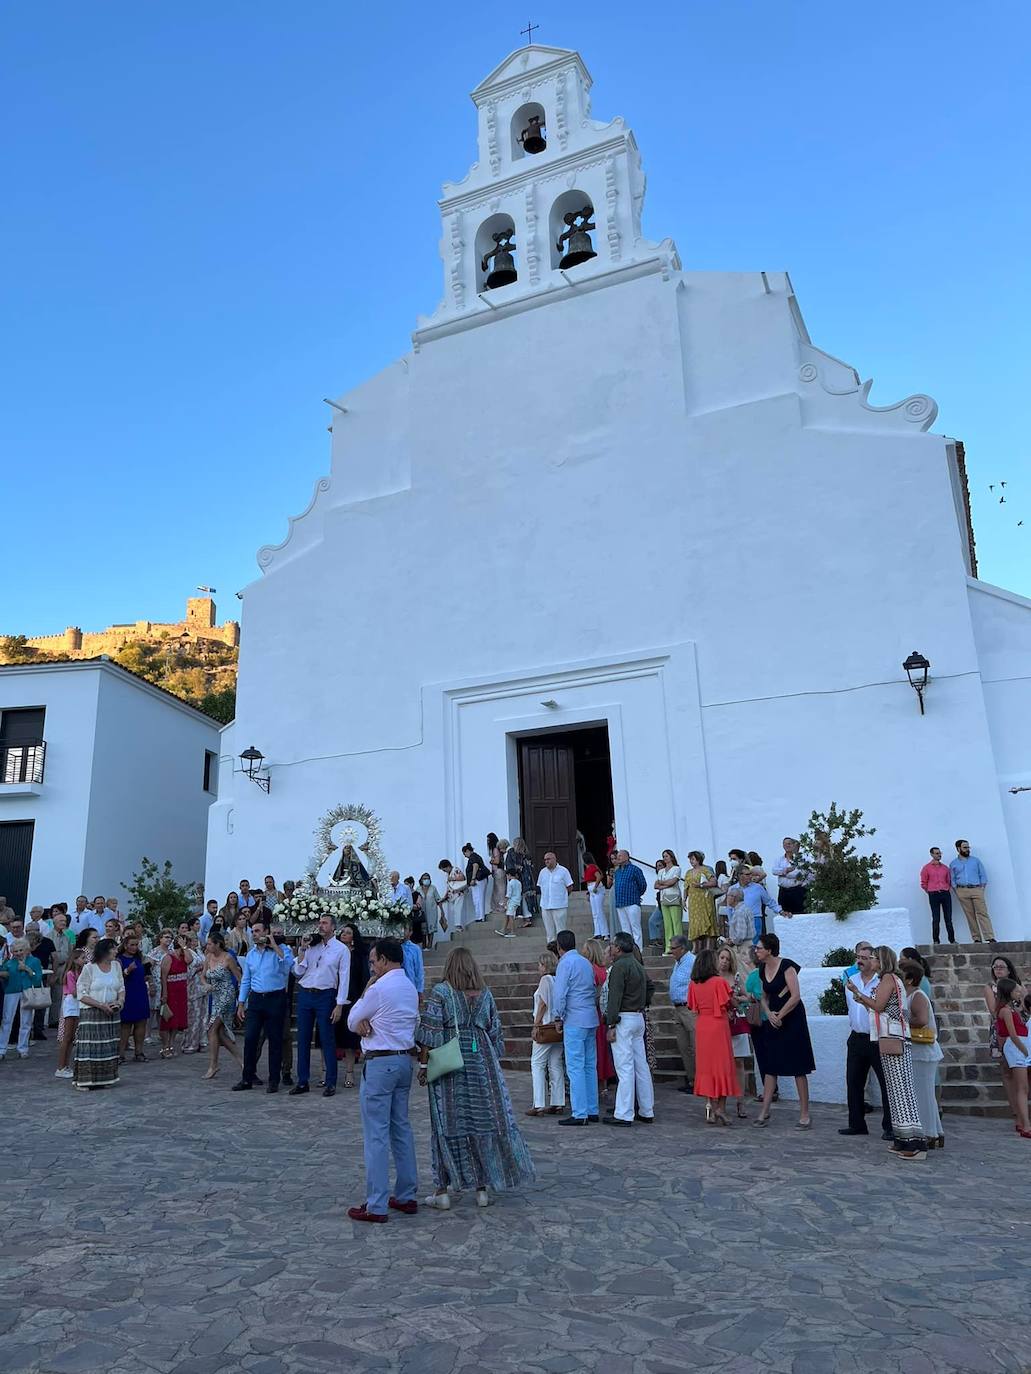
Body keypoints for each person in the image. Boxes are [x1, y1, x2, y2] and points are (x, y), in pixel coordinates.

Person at [416, 946, 535, 1209]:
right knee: (480, 1121)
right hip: (481, 1061)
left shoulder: (441, 993)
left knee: (447, 1122)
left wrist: (423, 1066)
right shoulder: (485, 994)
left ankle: (442, 1190)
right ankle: (481, 1188)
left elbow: (430, 1033)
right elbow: (495, 1032)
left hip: (450, 1062)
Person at [345, 937, 422, 1223]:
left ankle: (376, 1203)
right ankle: (406, 1194)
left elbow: (353, 1018)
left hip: (380, 1061)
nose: (372, 966)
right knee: (401, 1128)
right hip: (403, 1059)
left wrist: (364, 1012)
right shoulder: (409, 987)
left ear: (385, 960)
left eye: (374, 960)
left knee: (376, 1134)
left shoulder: (380, 987)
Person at [846, 946, 927, 1160]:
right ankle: (902, 1139)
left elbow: (879, 1006)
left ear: (880, 961)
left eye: (872, 958)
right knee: (895, 1090)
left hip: (893, 1039)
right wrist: (861, 998)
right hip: (890, 1037)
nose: (869, 961)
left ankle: (915, 1142)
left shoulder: (888, 979)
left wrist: (858, 994)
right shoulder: (891, 979)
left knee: (901, 1091)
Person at [753, 932, 815, 1128]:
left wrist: (780, 1015)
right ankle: (765, 1111)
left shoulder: (787, 965)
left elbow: (795, 995)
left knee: (798, 1066)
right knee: (771, 1065)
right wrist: (769, 1013)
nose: (756, 951)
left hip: (793, 1019)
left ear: (769, 950)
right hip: (774, 1018)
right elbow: (763, 996)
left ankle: (804, 1113)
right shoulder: (763, 968)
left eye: (759, 948)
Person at [837, 941, 893, 1140]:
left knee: (886, 1083)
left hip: (877, 1037)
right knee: (853, 1082)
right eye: (858, 957)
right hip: (857, 1037)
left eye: (864, 958)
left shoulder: (882, 981)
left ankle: (890, 1126)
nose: (859, 961)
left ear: (873, 960)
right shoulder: (851, 980)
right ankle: (856, 1124)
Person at [292, 914, 351, 1097]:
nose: (321, 926)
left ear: (333, 927)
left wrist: (339, 1004)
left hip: (326, 995)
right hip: (306, 993)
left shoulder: (341, 950)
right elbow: (298, 971)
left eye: (325, 923)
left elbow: (344, 978)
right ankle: (303, 1080)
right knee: (303, 1039)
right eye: (319, 923)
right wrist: (302, 949)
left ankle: (331, 1081)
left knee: (327, 1038)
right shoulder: (312, 946)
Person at [233, 921, 293, 1093]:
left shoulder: (281, 950)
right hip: (257, 998)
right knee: (250, 1039)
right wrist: (241, 1003)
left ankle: (274, 1080)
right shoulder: (251, 954)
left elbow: (288, 965)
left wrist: (273, 944)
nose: (255, 934)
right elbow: (246, 979)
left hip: (275, 998)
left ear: (267, 932)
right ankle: (247, 1078)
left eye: (258, 930)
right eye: (252, 931)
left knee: (275, 1040)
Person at [603, 931, 655, 1126]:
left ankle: (624, 1113)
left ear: (618, 947)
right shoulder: (637, 965)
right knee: (641, 1065)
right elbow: (651, 987)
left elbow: (614, 996)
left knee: (624, 1067)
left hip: (623, 1017)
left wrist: (611, 1022)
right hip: (638, 1016)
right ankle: (646, 1108)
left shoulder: (620, 966)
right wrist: (643, 1001)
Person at [551, 929, 600, 1125]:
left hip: (574, 1018)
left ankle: (580, 1113)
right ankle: (592, 1108)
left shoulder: (565, 964)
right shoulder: (585, 962)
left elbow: (560, 993)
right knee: (590, 1065)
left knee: (575, 1066)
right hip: (590, 1017)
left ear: (558, 946)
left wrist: (557, 1016)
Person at [688, 948, 741, 1126]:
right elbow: (728, 1002)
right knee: (722, 1066)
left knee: (707, 1067)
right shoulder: (719, 982)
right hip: (718, 1026)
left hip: (702, 1026)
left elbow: (692, 1006)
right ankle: (721, 1108)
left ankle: (709, 1106)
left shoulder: (693, 984)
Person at [899, 957, 944, 1149]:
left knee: (923, 1094)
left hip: (922, 1050)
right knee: (924, 1093)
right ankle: (936, 1132)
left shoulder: (917, 996)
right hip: (916, 1051)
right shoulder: (909, 995)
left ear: (909, 979)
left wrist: (900, 1017)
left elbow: (921, 1019)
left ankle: (929, 1133)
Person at [72, 938, 124, 1089]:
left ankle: (106, 1078)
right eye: (113, 949)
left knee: (108, 1046)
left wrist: (120, 1002)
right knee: (90, 1046)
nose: (116, 951)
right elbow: (81, 993)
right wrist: (101, 1005)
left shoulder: (116, 966)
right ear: (104, 951)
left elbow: (121, 987)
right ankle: (85, 1080)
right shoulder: (89, 968)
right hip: (92, 1013)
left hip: (111, 1013)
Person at [985, 956, 1026, 1126]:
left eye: (1002, 967)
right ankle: (1016, 1114)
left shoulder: (1019, 987)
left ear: (1009, 969)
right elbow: (994, 1011)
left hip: (1020, 1030)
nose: (998, 970)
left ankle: (1024, 1113)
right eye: (995, 967)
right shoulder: (990, 988)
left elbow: (1026, 1007)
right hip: (1001, 1031)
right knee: (1007, 1072)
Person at [200, 933, 244, 1081]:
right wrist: (205, 984)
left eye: (210, 944)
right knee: (219, 1033)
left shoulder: (228, 958)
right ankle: (241, 1060)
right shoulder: (208, 957)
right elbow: (203, 975)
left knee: (212, 1028)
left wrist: (241, 999)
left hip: (226, 995)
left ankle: (213, 1065)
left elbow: (239, 977)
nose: (208, 946)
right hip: (215, 995)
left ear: (218, 944)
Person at [527, 950, 565, 1116]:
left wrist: (536, 1024)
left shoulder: (545, 980)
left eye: (540, 964)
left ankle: (539, 1103)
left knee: (537, 1063)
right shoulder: (558, 979)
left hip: (544, 1026)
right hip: (556, 1027)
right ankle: (558, 1101)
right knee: (555, 1064)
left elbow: (542, 1003)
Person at [993, 977, 1031, 1137]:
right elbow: (1012, 1034)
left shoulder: (1010, 1008)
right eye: (1016, 990)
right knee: (1022, 1088)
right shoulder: (1006, 1011)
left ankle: (1022, 1122)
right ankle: (1026, 1125)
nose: (1019, 992)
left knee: (1022, 1087)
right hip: (1017, 1048)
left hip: (1019, 1047)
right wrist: (1025, 1051)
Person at [716, 945, 751, 1118]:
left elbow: (748, 996)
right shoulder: (713, 978)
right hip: (720, 1023)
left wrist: (737, 998)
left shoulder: (736, 978)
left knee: (739, 1063)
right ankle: (717, 1103)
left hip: (737, 1022)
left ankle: (740, 1101)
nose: (724, 962)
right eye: (722, 958)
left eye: (727, 959)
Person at [335, 921, 370, 1089]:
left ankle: (349, 1072)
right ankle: (326, 1072)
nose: (343, 934)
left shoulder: (358, 955)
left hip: (353, 997)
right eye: (342, 932)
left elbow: (363, 977)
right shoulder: (334, 952)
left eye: (347, 932)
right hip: (334, 997)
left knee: (349, 1038)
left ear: (353, 937)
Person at [582, 938, 615, 1104]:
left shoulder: (591, 970)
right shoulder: (603, 970)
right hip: (602, 1014)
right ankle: (604, 1085)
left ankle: (596, 1085)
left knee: (595, 1050)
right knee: (602, 1049)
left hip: (594, 1012)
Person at [0, 937, 45, 1058]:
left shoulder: (34, 961)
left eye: (21, 950)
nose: (18, 953)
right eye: (15, 951)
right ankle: (1, 1049)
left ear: (26, 950)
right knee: (7, 1020)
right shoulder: (9, 962)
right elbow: (4, 977)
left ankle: (23, 1048)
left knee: (26, 1020)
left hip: (27, 991)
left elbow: (38, 978)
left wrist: (27, 969)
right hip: (11, 992)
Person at [949, 840, 994, 942]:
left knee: (982, 913)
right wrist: (957, 891)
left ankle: (990, 937)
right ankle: (976, 938)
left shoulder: (976, 861)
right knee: (970, 915)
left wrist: (981, 888)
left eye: (968, 847)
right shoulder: (953, 864)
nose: (967, 849)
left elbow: (982, 874)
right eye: (965, 847)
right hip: (962, 891)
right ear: (958, 849)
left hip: (976, 889)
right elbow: (952, 879)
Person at [668, 934, 696, 1094]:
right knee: (684, 1046)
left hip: (689, 1009)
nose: (671, 951)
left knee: (695, 1045)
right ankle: (692, 1079)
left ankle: (700, 1080)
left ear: (683, 948)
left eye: (673, 948)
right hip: (678, 1009)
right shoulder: (677, 963)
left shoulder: (692, 961)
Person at [117, 932, 150, 1063]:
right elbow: (117, 978)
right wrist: (127, 971)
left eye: (136, 945)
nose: (134, 947)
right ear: (125, 945)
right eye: (132, 945)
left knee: (141, 1022)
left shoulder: (139, 958)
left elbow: (145, 973)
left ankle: (139, 1052)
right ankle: (120, 1054)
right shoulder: (119, 959)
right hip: (127, 993)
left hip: (140, 991)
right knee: (125, 1025)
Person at [55, 948, 86, 1079]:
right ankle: (61, 1066)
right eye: (82, 958)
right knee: (67, 1036)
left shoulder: (80, 972)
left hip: (77, 1003)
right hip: (71, 1003)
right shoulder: (70, 974)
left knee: (72, 1037)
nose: (84, 961)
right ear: (75, 959)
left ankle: (66, 1065)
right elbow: (74, 991)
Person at [25, 921, 56, 1041]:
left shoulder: (47, 942)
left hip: (42, 975)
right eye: (29, 931)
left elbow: (54, 958)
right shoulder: (24, 942)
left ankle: (38, 1029)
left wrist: (54, 974)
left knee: (40, 1002)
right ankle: (24, 1032)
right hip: (26, 977)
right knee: (26, 1003)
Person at [919, 847, 956, 943]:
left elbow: (949, 881)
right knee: (936, 918)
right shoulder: (926, 868)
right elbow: (923, 882)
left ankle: (952, 940)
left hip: (945, 893)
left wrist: (946, 889)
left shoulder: (945, 868)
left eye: (940, 853)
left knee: (948, 918)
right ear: (931, 854)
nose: (939, 855)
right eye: (936, 853)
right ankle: (936, 940)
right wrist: (930, 891)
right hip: (933, 894)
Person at [536, 851, 574, 943]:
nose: (546, 861)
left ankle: (562, 952)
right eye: (545, 860)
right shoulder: (542, 872)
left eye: (548, 859)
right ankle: (552, 952)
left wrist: (562, 897)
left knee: (561, 931)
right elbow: (540, 886)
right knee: (549, 933)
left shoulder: (563, 871)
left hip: (559, 906)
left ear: (554, 859)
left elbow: (570, 887)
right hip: (545, 906)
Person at [612, 850, 647, 948]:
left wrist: (636, 895)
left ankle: (638, 950)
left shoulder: (635, 869)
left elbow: (643, 885)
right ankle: (628, 949)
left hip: (632, 902)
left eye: (620, 856)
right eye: (617, 856)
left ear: (627, 857)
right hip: (620, 903)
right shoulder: (617, 872)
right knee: (625, 929)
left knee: (635, 927)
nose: (618, 858)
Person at [684, 852, 718, 949]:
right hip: (693, 901)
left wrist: (701, 885)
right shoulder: (688, 872)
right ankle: (695, 947)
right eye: (690, 859)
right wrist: (684, 899)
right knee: (694, 923)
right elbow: (686, 887)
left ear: (698, 860)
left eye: (693, 859)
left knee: (706, 920)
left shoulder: (705, 870)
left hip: (704, 899)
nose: (691, 861)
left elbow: (713, 882)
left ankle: (708, 946)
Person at [654, 849, 683, 956]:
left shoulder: (676, 869)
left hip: (674, 897)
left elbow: (673, 881)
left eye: (666, 856)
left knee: (676, 923)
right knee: (667, 925)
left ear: (671, 857)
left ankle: (679, 947)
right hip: (663, 898)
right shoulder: (661, 871)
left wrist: (663, 884)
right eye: (663, 856)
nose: (665, 858)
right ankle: (669, 947)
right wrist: (665, 884)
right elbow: (656, 885)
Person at [506, 837, 540, 926]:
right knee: (527, 898)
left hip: (518, 878)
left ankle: (526, 918)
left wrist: (511, 876)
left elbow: (509, 866)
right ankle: (528, 917)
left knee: (519, 898)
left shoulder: (512, 853)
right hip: (528, 879)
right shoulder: (527, 854)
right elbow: (531, 866)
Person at [462, 843, 489, 922]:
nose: (465, 856)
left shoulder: (473, 857)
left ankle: (481, 917)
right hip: (477, 881)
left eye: (464, 854)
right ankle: (479, 916)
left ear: (467, 851)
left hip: (478, 880)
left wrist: (473, 878)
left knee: (479, 898)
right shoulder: (474, 856)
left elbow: (475, 865)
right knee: (476, 899)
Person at [495, 862, 522, 940]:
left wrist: (504, 902)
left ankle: (512, 931)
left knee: (510, 916)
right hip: (517, 901)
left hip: (512, 901)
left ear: (509, 875)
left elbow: (508, 894)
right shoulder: (518, 882)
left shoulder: (511, 883)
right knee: (508, 915)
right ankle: (503, 929)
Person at [417, 874, 446, 947]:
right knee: (423, 929)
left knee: (431, 928)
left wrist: (442, 911)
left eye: (428, 878)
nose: (426, 880)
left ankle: (430, 944)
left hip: (432, 911)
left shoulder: (433, 888)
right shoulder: (418, 889)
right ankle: (424, 945)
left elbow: (438, 900)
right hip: (422, 912)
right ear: (421, 880)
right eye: (424, 878)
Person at [442, 860, 471, 932]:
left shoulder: (456, 869)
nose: (444, 871)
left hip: (459, 893)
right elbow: (449, 886)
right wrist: (445, 896)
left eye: (444, 869)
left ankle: (458, 926)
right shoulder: (448, 874)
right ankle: (457, 925)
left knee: (458, 909)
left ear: (447, 866)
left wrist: (452, 878)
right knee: (454, 910)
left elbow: (463, 878)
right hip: (452, 895)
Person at [585, 852, 607, 938]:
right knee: (595, 913)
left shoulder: (592, 867)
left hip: (595, 888)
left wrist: (595, 887)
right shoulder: (589, 868)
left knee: (599, 911)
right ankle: (598, 932)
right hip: (591, 889)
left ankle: (605, 933)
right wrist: (588, 892)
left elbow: (599, 877)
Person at [401, 922, 425, 996]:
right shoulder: (393, 947)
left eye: (405, 929)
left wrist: (420, 989)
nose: (402, 931)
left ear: (410, 932)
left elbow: (419, 970)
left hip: (411, 985)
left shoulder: (415, 949)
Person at [487, 833, 508, 916]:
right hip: (498, 871)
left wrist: (491, 861)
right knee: (499, 889)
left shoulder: (495, 849)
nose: (487, 842)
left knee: (500, 890)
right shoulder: (496, 849)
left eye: (488, 840)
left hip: (498, 871)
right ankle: (500, 906)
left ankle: (501, 907)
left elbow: (497, 861)